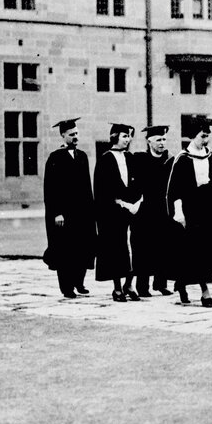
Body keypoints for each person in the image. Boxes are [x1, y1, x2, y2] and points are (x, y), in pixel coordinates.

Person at [166, 115, 212, 308]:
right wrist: (178, 212)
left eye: (207, 137)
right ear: (193, 136)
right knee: (193, 252)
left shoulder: (211, 156)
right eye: (202, 136)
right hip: (191, 211)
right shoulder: (182, 159)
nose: (205, 141)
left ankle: (182, 284)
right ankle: (204, 292)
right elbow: (174, 190)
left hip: (209, 211)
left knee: (207, 251)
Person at [42, 119, 96, 298]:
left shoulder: (82, 156)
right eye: (72, 134)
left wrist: (91, 210)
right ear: (63, 135)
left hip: (82, 212)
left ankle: (79, 283)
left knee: (83, 247)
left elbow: (87, 186)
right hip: (65, 214)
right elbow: (50, 189)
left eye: (77, 134)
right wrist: (57, 212)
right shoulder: (55, 157)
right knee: (66, 250)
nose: (75, 137)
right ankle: (67, 287)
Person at [94, 123, 141, 302]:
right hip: (113, 212)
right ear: (114, 137)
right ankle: (117, 288)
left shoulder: (130, 157)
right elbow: (102, 189)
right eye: (124, 136)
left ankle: (129, 284)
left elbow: (137, 183)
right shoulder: (105, 159)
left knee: (135, 247)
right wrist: (118, 203)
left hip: (133, 210)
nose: (127, 140)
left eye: (129, 136)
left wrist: (136, 202)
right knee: (117, 248)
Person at [130, 125, 173, 297]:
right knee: (143, 249)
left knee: (163, 247)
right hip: (144, 211)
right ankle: (142, 286)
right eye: (158, 140)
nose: (162, 143)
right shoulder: (139, 159)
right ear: (149, 142)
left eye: (164, 139)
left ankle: (160, 284)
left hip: (163, 211)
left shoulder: (170, 160)